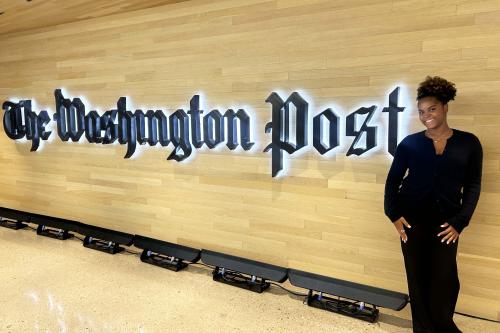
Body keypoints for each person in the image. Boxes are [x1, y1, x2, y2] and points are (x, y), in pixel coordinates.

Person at [384, 76, 483, 333]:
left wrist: (460, 222)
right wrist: (394, 215)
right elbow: (392, 183)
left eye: (432, 109)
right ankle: (423, 329)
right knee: (417, 280)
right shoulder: (410, 144)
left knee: (446, 280)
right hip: (412, 222)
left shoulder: (468, 143)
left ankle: (443, 326)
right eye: (421, 111)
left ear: (445, 107)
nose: (426, 116)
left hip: (446, 224)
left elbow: (473, 186)